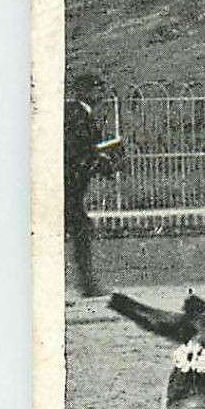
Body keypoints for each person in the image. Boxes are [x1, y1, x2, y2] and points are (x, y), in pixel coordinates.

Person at [64, 73, 117, 299]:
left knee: (81, 229)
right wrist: (100, 161)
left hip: (70, 187)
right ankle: (87, 285)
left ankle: (87, 284)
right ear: (83, 91)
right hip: (66, 186)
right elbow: (76, 150)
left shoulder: (79, 113)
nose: (102, 93)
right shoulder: (76, 115)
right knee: (81, 229)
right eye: (97, 88)